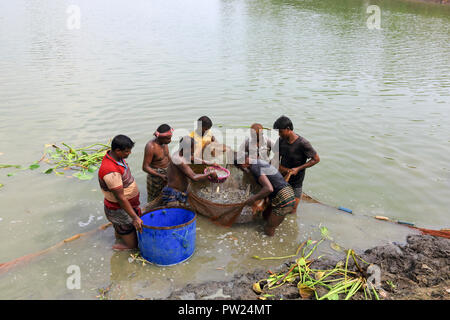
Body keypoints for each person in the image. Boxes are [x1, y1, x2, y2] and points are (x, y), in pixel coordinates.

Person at [98, 135, 143, 250]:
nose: (130, 153)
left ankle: (120, 236)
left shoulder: (118, 158)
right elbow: (121, 198)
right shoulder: (110, 171)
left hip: (126, 206)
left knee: (122, 229)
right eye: (127, 151)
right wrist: (135, 217)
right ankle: (117, 247)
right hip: (119, 209)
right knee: (133, 246)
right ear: (117, 151)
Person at [234, 153, 296, 236]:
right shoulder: (259, 162)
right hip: (288, 194)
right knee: (267, 218)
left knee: (269, 228)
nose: (242, 170)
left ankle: (271, 246)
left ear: (242, 164)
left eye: (240, 168)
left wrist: (253, 199)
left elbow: (268, 188)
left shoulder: (255, 167)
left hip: (283, 198)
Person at [272, 116, 320, 214]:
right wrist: (284, 169)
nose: (279, 134)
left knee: (292, 210)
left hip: (297, 181)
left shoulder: (303, 143)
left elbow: (316, 159)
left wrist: (298, 168)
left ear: (288, 129)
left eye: (280, 131)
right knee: (277, 204)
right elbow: (274, 159)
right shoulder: (280, 141)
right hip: (282, 177)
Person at [161, 136, 218, 206]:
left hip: (182, 192)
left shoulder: (183, 153)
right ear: (187, 149)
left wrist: (211, 163)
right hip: (173, 194)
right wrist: (210, 174)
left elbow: (195, 159)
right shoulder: (179, 160)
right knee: (176, 214)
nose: (194, 151)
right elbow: (194, 177)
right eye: (193, 149)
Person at [142, 124, 173, 203]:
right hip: (155, 175)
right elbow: (145, 167)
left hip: (166, 173)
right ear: (161, 137)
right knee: (153, 198)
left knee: (166, 193)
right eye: (168, 139)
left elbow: (167, 156)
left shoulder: (164, 143)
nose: (170, 140)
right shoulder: (151, 147)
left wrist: (174, 166)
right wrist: (160, 175)